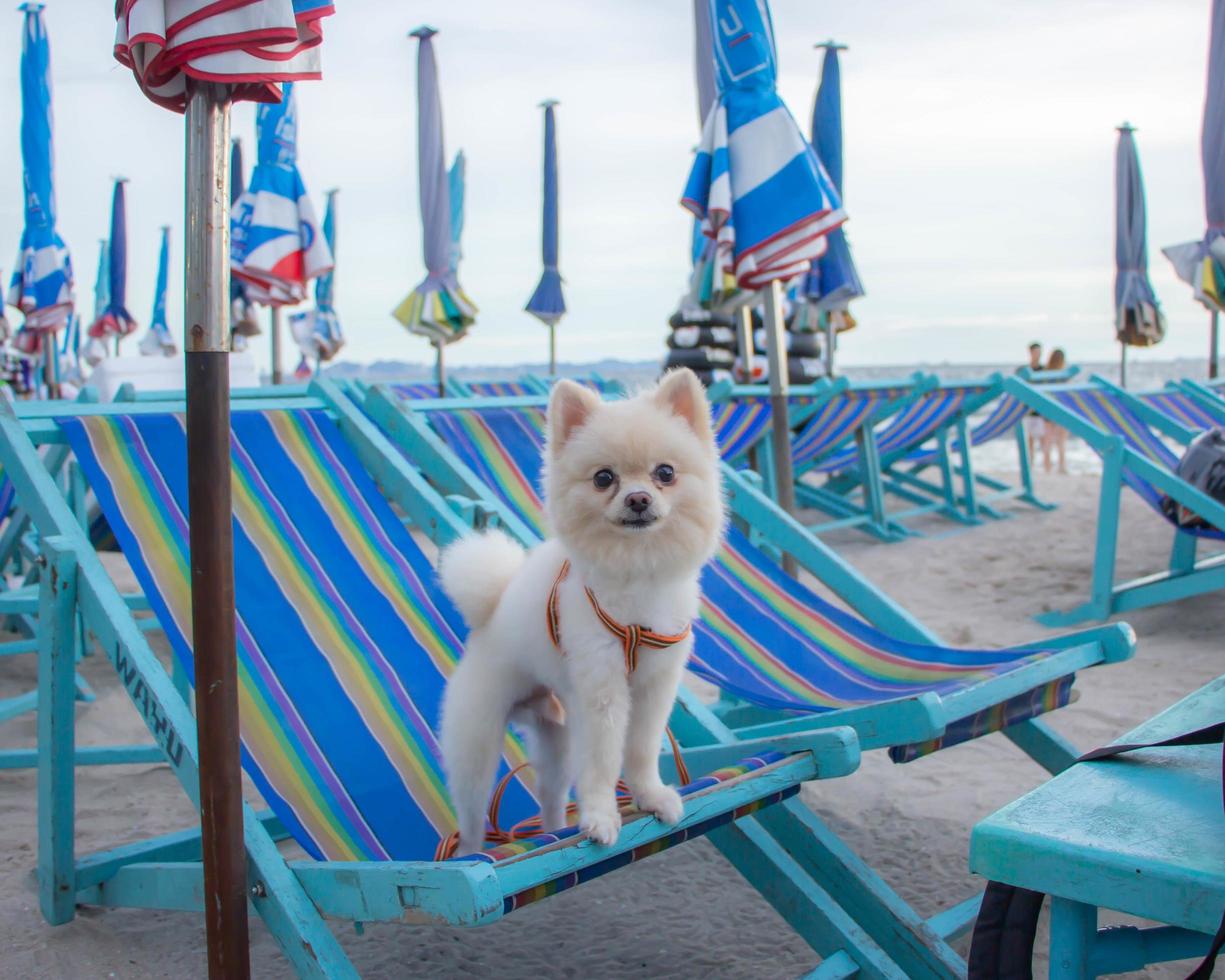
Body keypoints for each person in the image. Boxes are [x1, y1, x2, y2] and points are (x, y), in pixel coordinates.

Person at [1042, 348, 1069, 474]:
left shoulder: (1045, 375)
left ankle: (1047, 467)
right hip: (1062, 410)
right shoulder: (1064, 375)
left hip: (1048, 410)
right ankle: (1062, 467)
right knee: (1061, 441)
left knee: (1048, 441)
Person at [1018, 342, 1044, 462]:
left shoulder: (1044, 370)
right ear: (1030, 352)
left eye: (1039, 352)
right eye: (1035, 352)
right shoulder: (1023, 370)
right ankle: (1031, 462)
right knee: (1029, 439)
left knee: (1043, 438)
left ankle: (1044, 462)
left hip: (1041, 409)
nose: (1037, 355)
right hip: (1027, 409)